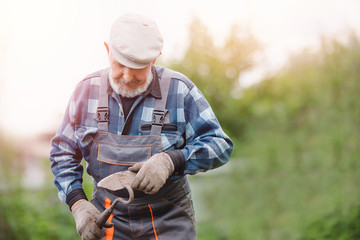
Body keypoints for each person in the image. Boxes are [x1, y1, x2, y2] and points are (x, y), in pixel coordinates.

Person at [49, 12, 233, 240]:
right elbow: (62, 154)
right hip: (108, 218)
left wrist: (170, 161)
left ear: (155, 59)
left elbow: (220, 145)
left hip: (168, 217)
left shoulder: (179, 90)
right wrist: (78, 203)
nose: (126, 76)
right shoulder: (86, 92)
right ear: (108, 50)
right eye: (120, 64)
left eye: (138, 67)